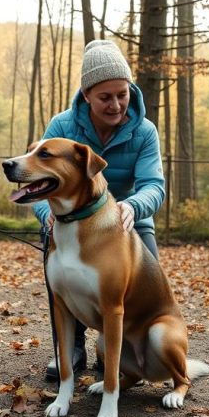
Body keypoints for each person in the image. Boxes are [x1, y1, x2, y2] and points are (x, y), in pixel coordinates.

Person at [33, 39, 165, 381]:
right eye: (105, 97)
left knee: (146, 282)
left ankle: (134, 353)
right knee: (60, 267)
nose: (116, 104)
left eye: (122, 94)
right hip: (72, 218)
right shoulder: (62, 127)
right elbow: (38, 179)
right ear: (87, 94)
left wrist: (134, 206)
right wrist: (46, 216)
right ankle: (71, 346)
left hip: (127, 220)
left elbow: (154, 185)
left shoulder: (144, 131)